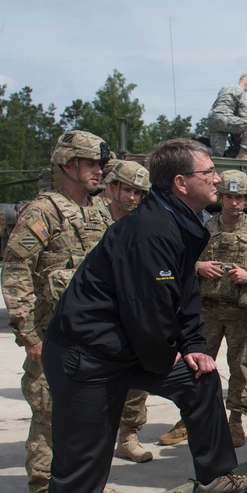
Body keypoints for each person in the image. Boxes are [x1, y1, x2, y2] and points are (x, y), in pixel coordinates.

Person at [41, 137, 247, 493]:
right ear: (181, 182)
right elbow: (147, 315)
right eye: (208, 172)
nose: (217, 179)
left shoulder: (183, 223)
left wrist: (195, 349)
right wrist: (172, 356)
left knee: (201, 380)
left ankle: (214, 479)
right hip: (87, 357)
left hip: (127, 346)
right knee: (81, 469)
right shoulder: (152, 230)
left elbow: (182, 295)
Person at [1, 131, 133, 493]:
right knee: (49, 415)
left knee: (96, 416)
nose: (99, 171)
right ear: (68, 165)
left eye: (99, 164)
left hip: (97, 338)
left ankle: (92, 485)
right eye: (92, 164)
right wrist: (29, 336)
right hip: (53, 337)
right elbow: (17, 272)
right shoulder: (45, 211)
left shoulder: (98, 211)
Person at [158, 169, 247, 448]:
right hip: (206, 313)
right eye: (229, 196)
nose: (233, 203)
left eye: (239, 197)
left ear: (246, 199)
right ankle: (189, 419)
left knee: (241, 369)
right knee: (195, 368)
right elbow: (178, 263)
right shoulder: (203, 227)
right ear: (221, 197)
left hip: (242, 314)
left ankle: (235, 420)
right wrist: (198, 267)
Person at [96, 159, 154, 463]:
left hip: (132, 320)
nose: (132, 197)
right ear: (112, 187)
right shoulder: (91, 221)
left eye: (138, 193)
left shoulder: (141, 226)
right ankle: (96, 453)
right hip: (96, 323)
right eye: (128, 190)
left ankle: (129, 436)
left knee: (135, 385)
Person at [207, 73, 247, 159]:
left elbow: (223, 103)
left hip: (212, 120)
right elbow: (243, 115)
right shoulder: (241, 92)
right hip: (224, 119)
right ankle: (242, 154)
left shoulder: (224, 88)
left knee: (217, 153)